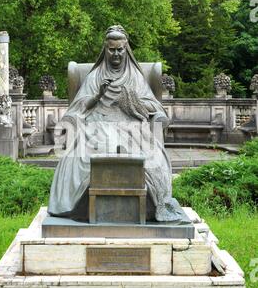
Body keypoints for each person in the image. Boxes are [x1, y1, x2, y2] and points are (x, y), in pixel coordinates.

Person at [48, 25, 189, 223]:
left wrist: (129, 97)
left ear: (126, 49)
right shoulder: (95, 76)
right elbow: (78, 107)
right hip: (98, 124)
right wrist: (98, 95)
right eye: (111, 49)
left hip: (131, 125)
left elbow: (153, 106)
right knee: (82, 154)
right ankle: (84, 206)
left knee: (151, 156)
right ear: (105, 50)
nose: (116, 54)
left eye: (120, 49)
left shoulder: (136, 77)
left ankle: (148, 204)